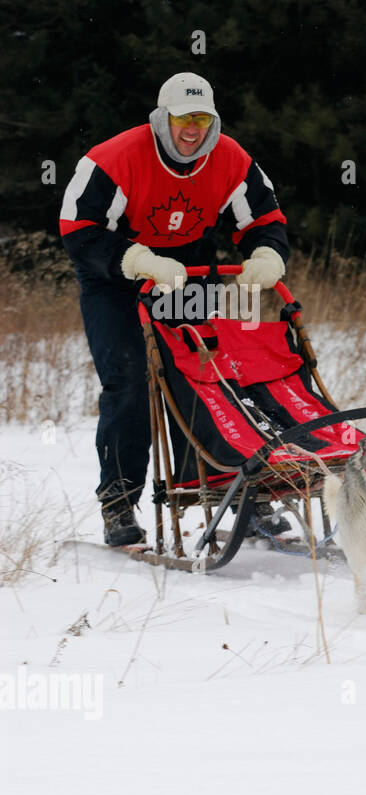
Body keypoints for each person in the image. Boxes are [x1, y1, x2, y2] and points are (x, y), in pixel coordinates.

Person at [60, 73, 292, 545]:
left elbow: (264, 216)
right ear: (162, 119)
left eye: (203, 120)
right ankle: (120, 502)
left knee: (209, 373)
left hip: (187, 265)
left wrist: (268, 254)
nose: (193, 130)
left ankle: (225, 487)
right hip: (116, 275)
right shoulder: (113, 158)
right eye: (184, 119)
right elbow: (78, 228)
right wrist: (137, 259)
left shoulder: (229, 157)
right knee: (129, 381)